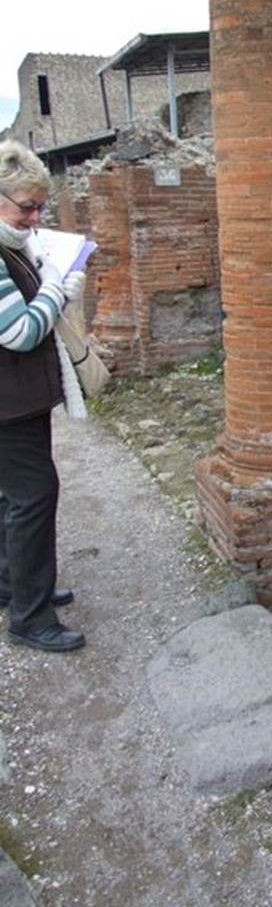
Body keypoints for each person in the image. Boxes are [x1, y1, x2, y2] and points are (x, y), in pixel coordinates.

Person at [0, 140, 87, 652]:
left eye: (39, 207)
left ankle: (15, 586)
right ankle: (31, 618)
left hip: (15, 401)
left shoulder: (11, 244)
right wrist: (56, 286)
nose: (34, 217)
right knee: (33, 497)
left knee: (13, 496)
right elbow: (20, 333)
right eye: (25, 206)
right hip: (7, 407)